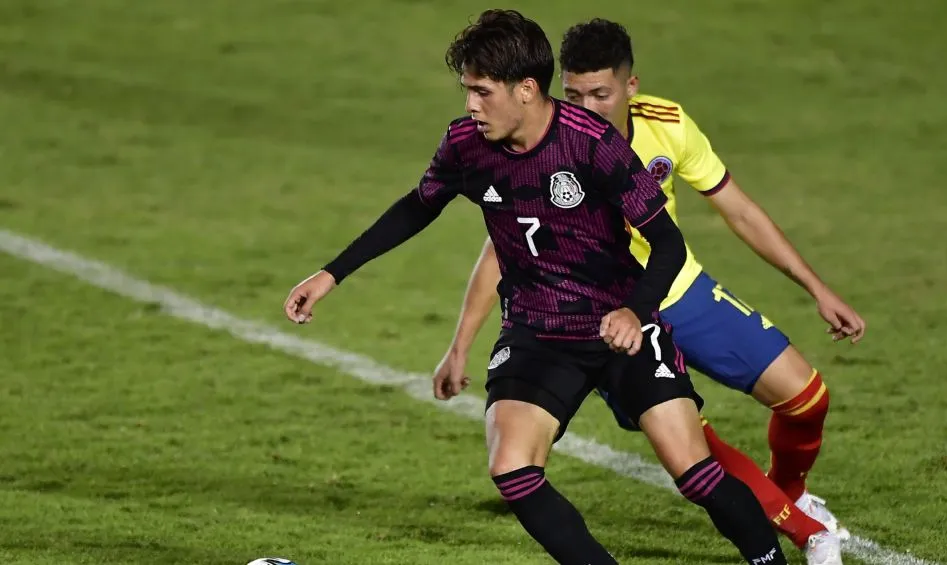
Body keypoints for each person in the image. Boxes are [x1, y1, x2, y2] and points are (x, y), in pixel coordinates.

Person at [284, 10, 787, 565]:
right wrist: (331, 273)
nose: (470, 105)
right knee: (513, 470)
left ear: (526, 89)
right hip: (537, 331)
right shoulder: (465, 146)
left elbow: (666, 243)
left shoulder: (593, 144)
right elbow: (415, 208)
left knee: (695, 473)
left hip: (617, 325)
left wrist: (634, 311)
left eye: (482, 91)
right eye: (466, 91)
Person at [433, 18, 866, 565]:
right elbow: (501, 251)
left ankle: (788, 494)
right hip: (607, 312)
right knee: (692, 449)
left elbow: (738, 209)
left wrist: (816, 287)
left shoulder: (667, 125)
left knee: (806, 398)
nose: (587, 107)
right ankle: (807, 533)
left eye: (601, 94)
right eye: (573, 94)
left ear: (630, 88)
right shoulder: (544, 141)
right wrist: (461, 344)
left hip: (679, 291)